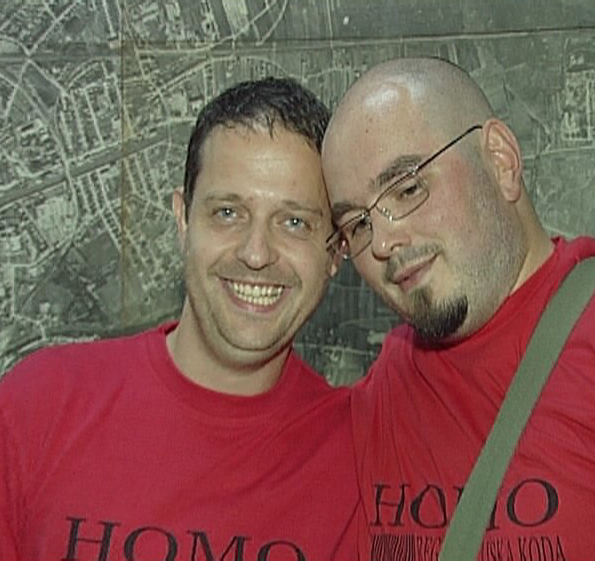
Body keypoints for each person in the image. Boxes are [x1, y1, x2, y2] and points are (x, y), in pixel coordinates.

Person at [321, 57, 595, 560]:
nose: (383, 242)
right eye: (358, 225)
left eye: (407, 189)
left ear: (500, 160)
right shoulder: (384, 393)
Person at [0, 77, 360, 561]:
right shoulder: (38, 406)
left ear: (335, 250)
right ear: (183, 219)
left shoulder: (359, 464)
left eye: (294, 222)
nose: (256, 253)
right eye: (228, 212)